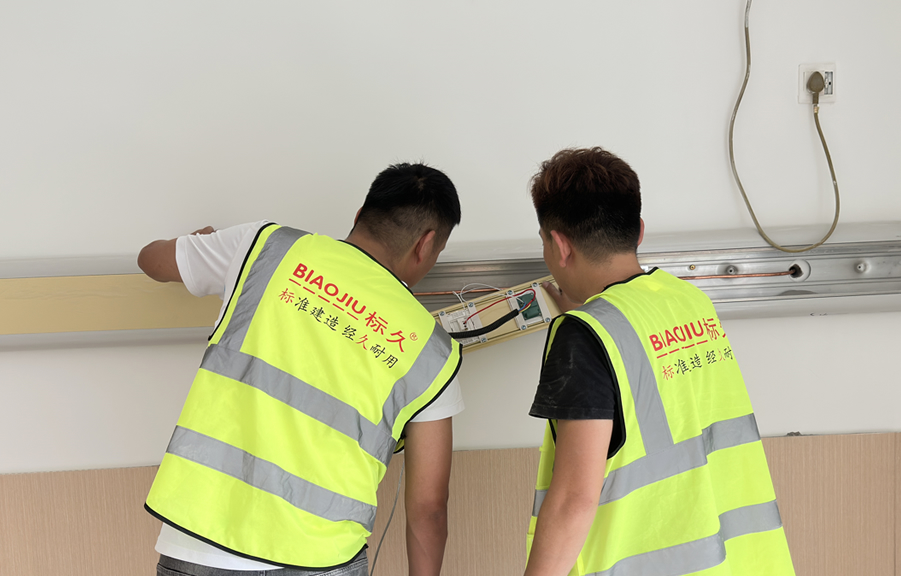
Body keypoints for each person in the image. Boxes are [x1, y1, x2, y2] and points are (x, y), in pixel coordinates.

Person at [137, 163, 464, 576]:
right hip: (322, 559)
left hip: (200, 544)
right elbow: (429, 508)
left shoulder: (263, 247)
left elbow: (151, 260)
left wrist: (198, 245)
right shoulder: (431, 351)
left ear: (360, 215)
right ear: (426, 244)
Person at [524, 148, 795, 576]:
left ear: (559, 245)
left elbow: (575, 499)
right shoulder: (688, 301)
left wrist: (586, 330)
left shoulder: (583, 337)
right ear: (639, 230)